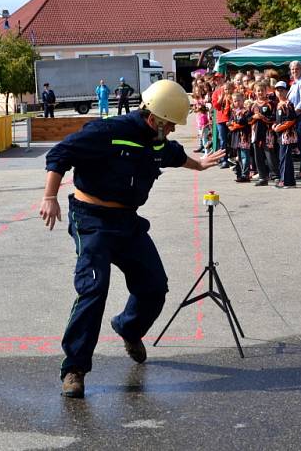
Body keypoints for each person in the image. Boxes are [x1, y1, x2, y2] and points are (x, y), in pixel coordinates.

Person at [40, 79, 225, 398]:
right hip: (91, 218)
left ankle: (128, 327)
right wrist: (50, 197)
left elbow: (173, 154)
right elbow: (61, 153)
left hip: (127, 220)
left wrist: (199, 165)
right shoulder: (107, 132)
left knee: (154, 287)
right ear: (152, 117)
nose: (170, 131)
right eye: (168, 125)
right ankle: (74, 368)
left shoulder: (157, 140)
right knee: (94, 288)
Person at [250, 81, 277, 186]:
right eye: (258, 91)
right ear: (255, 92)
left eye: (262, 90)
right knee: (258, 155)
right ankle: (262, 177)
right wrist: (253, 117)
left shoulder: (270, 104)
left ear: (266, 91)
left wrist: (263, 118)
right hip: (255, 133)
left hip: (267, 133)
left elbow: (274, 118)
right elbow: (246, 119)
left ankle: (275, 175)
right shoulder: (252, 105)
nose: (260, 92)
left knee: (269, 154)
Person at [273, 81, 297, 188]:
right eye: (278, 90)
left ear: (286, 91)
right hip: (280, 135)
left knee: (285, 158)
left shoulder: (288, 104)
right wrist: (274, 125)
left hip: (287, 135)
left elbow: (291, 120)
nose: (280, 92)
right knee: (284, 157)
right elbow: (277, 119)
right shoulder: (278, 104)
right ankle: (290, 181)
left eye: (282, 90)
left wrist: (280, 127)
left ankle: (285, 181)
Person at [228, 92, 252, 182]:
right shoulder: (233, 112)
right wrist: (231, 125)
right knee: (239, 156)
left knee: (244, 155)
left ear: (243, 100)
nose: (237, 103)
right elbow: (229, 122)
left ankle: (245, 174)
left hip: (244, 136)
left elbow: (245, 122)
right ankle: (240, 173)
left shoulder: (246, 111)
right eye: (235, 101)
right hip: (236, 136)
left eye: (239, 100)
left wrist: (235, 125)